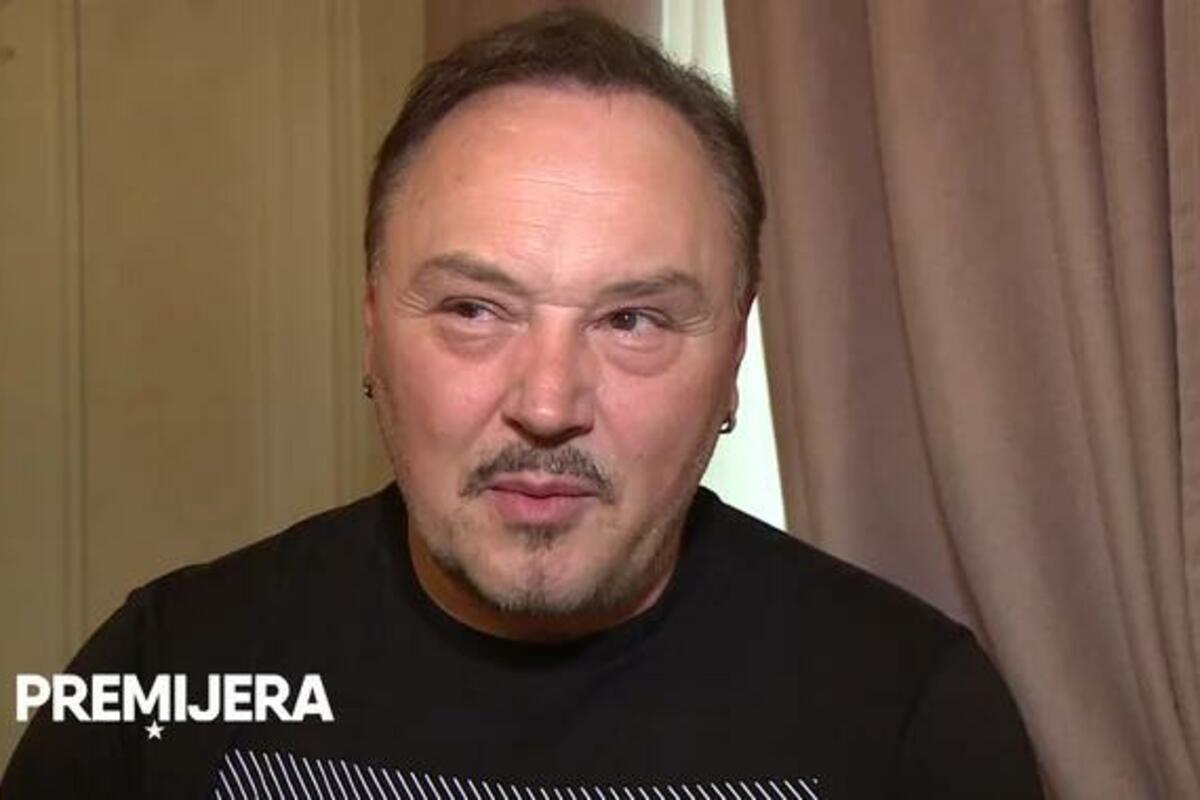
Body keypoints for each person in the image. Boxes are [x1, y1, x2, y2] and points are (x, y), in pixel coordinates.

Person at [1, 9, 1043, 799]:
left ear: (733, 357)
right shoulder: (164, 674)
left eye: (632, 320)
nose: (547, 404)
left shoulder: (911, 715)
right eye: (473, 309)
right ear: (372, 331)